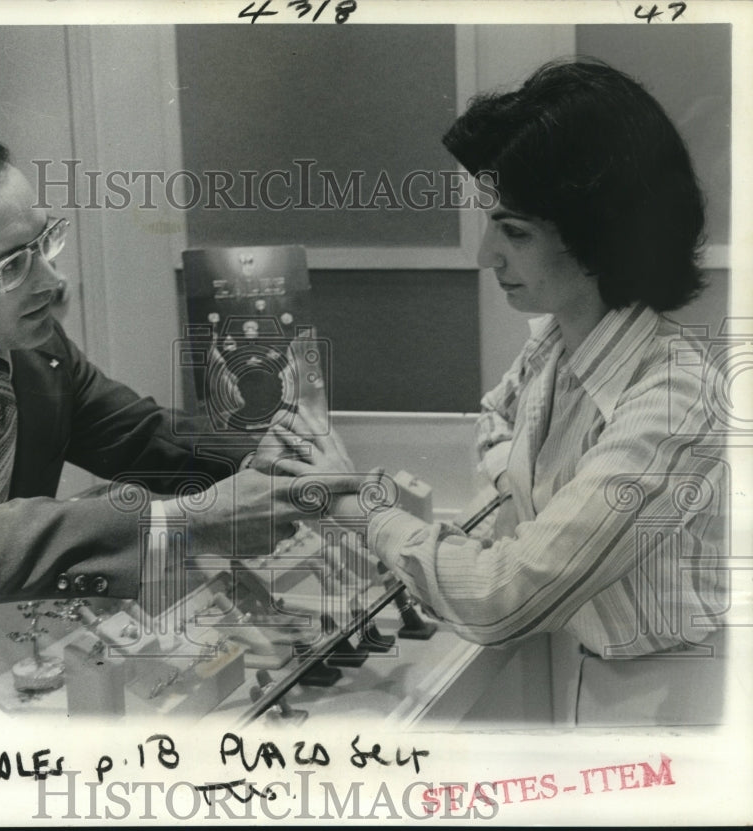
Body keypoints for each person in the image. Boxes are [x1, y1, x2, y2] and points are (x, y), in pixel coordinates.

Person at [274, 60, 729, 723]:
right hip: (581, 672)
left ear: (601, 239)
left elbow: (505, 598)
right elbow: (497, 431)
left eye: (514, 232)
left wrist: (362, 505)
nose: (486, 253)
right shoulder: (556, 342)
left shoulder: (673, 399)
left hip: (663, 705)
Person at [0, 138, 337, 623]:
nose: (52, 278)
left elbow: (143, 437)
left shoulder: (30, 345)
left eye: (45, 241)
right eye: (11, 267)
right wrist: (191, 523)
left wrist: (266, 457)